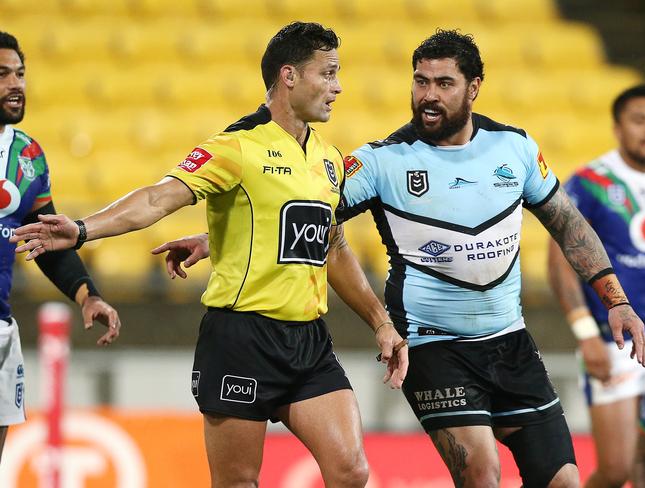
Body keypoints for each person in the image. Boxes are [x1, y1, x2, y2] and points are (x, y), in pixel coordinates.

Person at [146, 29, 645, 487]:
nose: (428, 95)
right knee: (482, 474)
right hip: (433, 346)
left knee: (563, 483)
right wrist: (219, 238)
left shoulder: (514, 149)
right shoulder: (380, 162)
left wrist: (615, 299)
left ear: (474, 88)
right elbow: (296, 208)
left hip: (511, 342)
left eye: (444, 83)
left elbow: (567, 223)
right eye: (420, 81)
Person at [10, 22, 408, 487]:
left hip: (308, 340)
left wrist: (380, 322)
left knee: (351, 471)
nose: (338, 87)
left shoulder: (329, 158)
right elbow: (158, 199)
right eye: (329, 73)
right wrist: (82, 229)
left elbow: (330, 242)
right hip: (242, 339)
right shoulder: (236, 146)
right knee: (237, 482)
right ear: (289, 76)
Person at [0, 32, 121, 461]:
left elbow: (44, 237)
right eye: (2, 74)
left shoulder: (26, 154)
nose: (15, 84)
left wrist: (88, 295)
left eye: (20, 73)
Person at [548, 84, 645, 488]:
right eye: (639, 120)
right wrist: (586, 333)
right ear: (617, 127)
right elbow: (560, 263)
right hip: (616, 341)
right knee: (616, 469)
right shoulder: (591, 183)